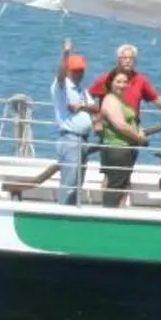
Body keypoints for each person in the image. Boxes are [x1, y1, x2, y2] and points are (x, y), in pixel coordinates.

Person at [88, 44, 161, 133]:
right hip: (110, 128)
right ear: (118, 60)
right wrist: (95, 120)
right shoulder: (106, 78)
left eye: (131, 58)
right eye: (124, 58)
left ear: (135, 61)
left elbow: (156, 99)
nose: (127, 61)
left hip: (132, 127)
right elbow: (87, 98)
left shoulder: (140, 80)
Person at [94, 69, 149, 208]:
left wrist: (138, 130)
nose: (122, 85)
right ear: (110, 83)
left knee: (122, 185)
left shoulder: (120, 100)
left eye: (125, 82)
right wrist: (139, 139)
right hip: (117, 148)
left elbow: (128, 122)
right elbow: (120, 125)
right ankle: (107, 216)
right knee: (115, 186)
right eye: (118, 82)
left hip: (126, 148)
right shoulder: (110, 99)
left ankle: (114, 213)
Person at [51, 41, 95, 205]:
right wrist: (66, 54)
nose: (79, 73)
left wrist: (84, 106)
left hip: (83, 139)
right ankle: (63, 212)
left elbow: (95, 107)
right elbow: (60, 75)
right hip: (70, 138)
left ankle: (73, 208)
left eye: (81, 70)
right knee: (69, 182)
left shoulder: (82, 89)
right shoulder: (61, 87)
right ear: (69, 70)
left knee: (78, 182)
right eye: (76, 71)